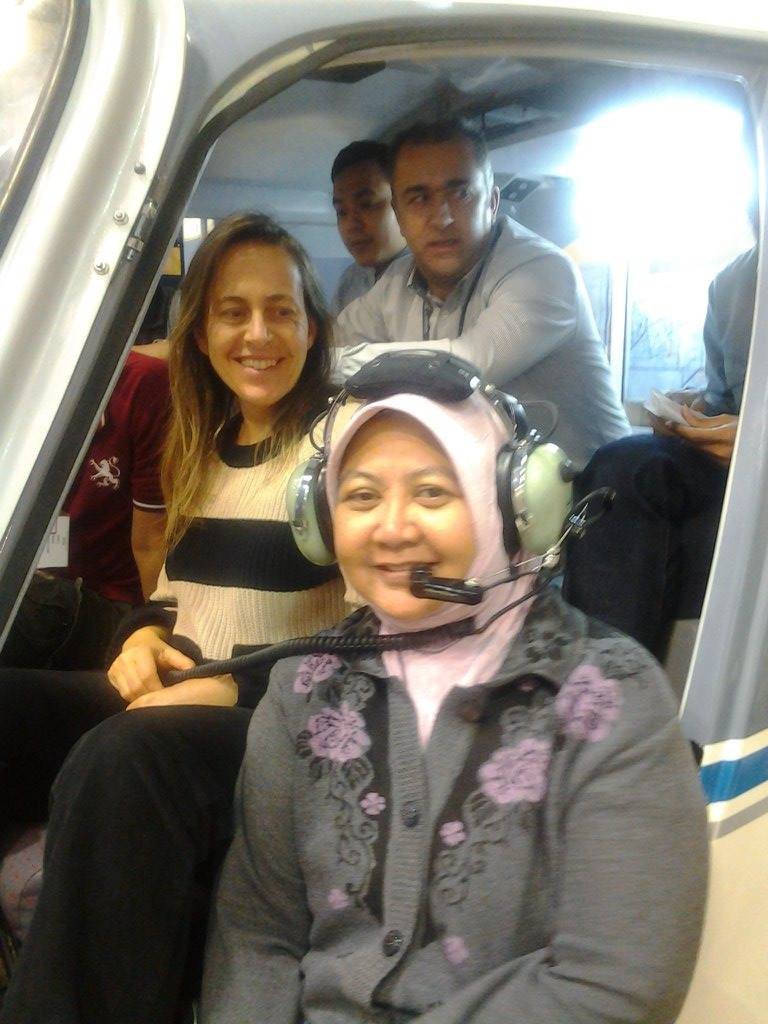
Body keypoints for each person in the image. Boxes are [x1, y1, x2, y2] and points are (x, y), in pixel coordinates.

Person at [201, 361, 708, 1024]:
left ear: (515, 509)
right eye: (360, 496)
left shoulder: (612, 696)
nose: (392, 529)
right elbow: (255, 935)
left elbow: (617, 984)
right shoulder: (303, 688)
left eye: (432, 493)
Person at [0, 212, 348, 1024]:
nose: (257, 334)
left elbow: (379, 638)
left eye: (281, 311)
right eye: (233, 312)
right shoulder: (202, 441)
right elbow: (169, 594)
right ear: (200, 332)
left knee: (126, 755)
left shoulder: (345, 442)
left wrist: (236, 689)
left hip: (282, 714)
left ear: (312, 327)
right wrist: (142, 638)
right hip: (186, 687)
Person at [334, 119, 630, 467]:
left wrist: (330, 364)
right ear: (399, 215)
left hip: (593, 487)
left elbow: (467, 364)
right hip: (485, 486)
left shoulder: (544, 270)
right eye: (419, 198)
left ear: (491, 202)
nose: (442, 218)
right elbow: (329, 341)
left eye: (460, 193)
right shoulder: (396, 283)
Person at [563, 245, 757, 657]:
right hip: (744, 483)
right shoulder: (733, 283)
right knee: (626, 467)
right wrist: (694, 413)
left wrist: (758, 442)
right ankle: (604, 680)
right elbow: (728, 402)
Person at [0, 349, 169, 670]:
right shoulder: (17, 369)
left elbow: (152, 541)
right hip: (27, 575)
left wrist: (154, 631)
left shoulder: (143, 384)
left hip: (102, 599)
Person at [331, 140, 407, 315]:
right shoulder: (350, 283)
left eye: (366, 204)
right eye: (341, 212)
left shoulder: (433, 278)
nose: (351, 225)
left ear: (403, 203)